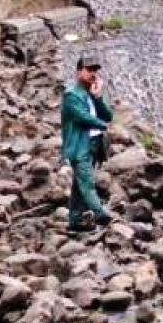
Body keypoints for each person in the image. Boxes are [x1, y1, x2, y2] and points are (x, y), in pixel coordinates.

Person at [61, 55, 113, 232]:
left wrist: (98, 98)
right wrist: (103, 125)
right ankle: (102, 215)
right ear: (78, 72)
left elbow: (108, 115)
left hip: (94, 145)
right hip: (79, 146)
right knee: (87, 183)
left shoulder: (91, 94)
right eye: (89, 70)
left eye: (95, 71)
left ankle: (75, 221)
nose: (93, 74)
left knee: (79, 185)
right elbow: (83, 116)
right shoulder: (71, 95)